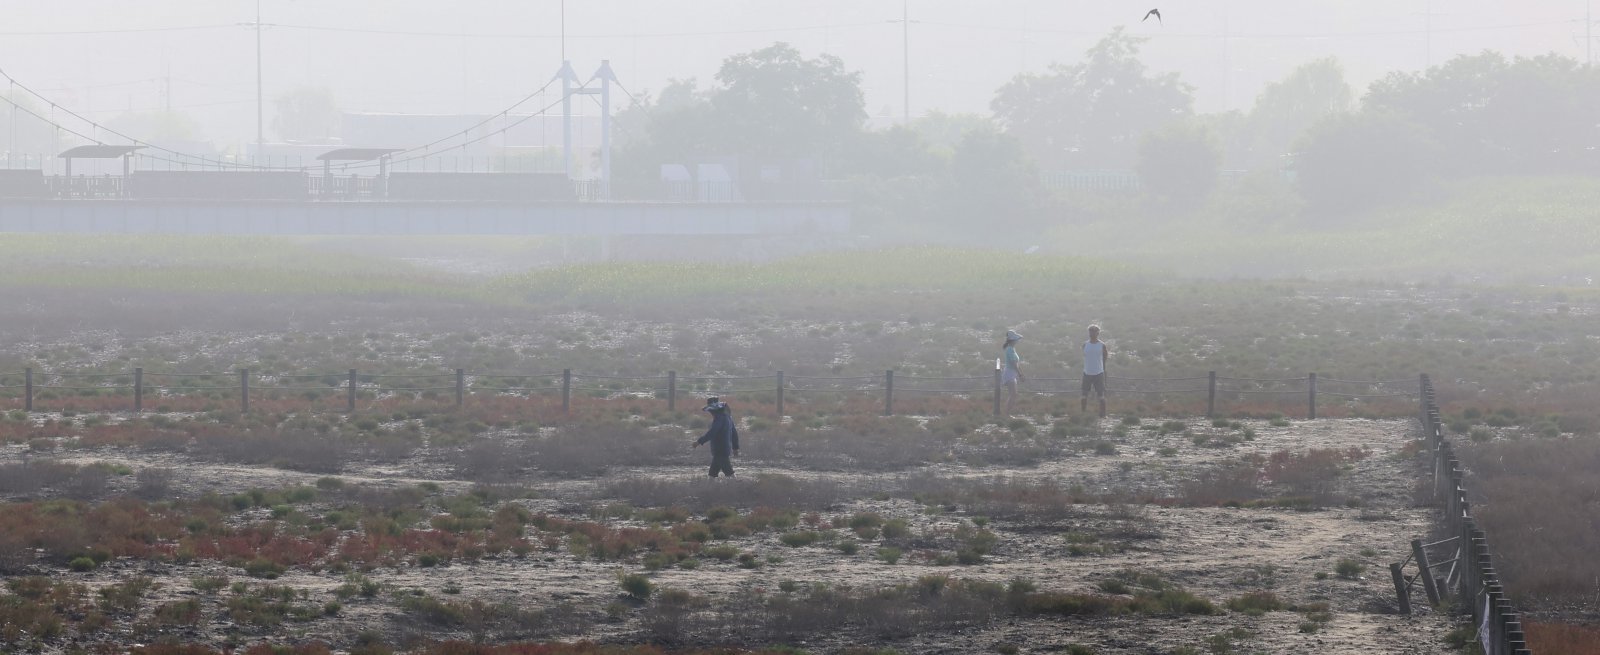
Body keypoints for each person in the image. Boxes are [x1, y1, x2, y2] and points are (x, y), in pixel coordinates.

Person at [692, 396, 740, 478]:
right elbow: (734, 434)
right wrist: (735, 448)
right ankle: (709, 488)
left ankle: (737, 487)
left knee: (729, 473)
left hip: (720, 450)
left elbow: (712, 432)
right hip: (724, 449)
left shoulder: (719, 419)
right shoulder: (728, 417)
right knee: (712, 474)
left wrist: (699, 441)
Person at [1081, 325, 1109, 417]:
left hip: (1098, 373)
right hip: (1087, 372)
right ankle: (1083, 413)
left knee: (1101, 395)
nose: (1092, 333)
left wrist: (1102, 369)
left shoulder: (1102, 345)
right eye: (1090, 331)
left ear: (1098, 333)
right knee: (1084, 394)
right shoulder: (1085, 344)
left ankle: (1103, 415)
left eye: (1094, 331)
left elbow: (1105, 358)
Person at [1001, 330, 1026, 414]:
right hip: (1010, 374)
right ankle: (1006, 413)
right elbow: (1014, 364)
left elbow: (1016, 363)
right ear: (1013, 340)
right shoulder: (1010, 350)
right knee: (1013, 395)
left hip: (1012, 374)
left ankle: (1007, 413)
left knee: (1013, 395)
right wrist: (1020, 374)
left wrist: (1020, 373)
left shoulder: (1011, 349)